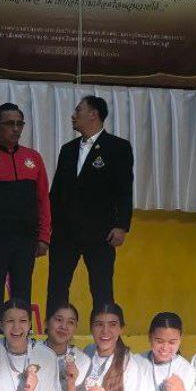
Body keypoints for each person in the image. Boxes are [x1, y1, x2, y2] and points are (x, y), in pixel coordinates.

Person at [47, 95, 134, 314]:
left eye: (78, 110)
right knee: (57, 286)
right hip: (65, 232)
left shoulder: (118, 147)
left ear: (93, 114)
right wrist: (49, 224)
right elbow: (56, 191)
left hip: (100, 232)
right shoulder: (68, 149)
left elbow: (124, 190)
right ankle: (53, 331)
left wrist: (122, 225)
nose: (73, 115)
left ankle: (104, 333)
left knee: (101, 288)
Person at [0, 105, 50, 333]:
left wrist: (43, 237)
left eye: (19, 124)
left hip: (26, 241)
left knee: (22, 295)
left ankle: (20, 340)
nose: (16, 129)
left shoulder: (33, 158)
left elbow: (43, 200)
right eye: (10, 124)